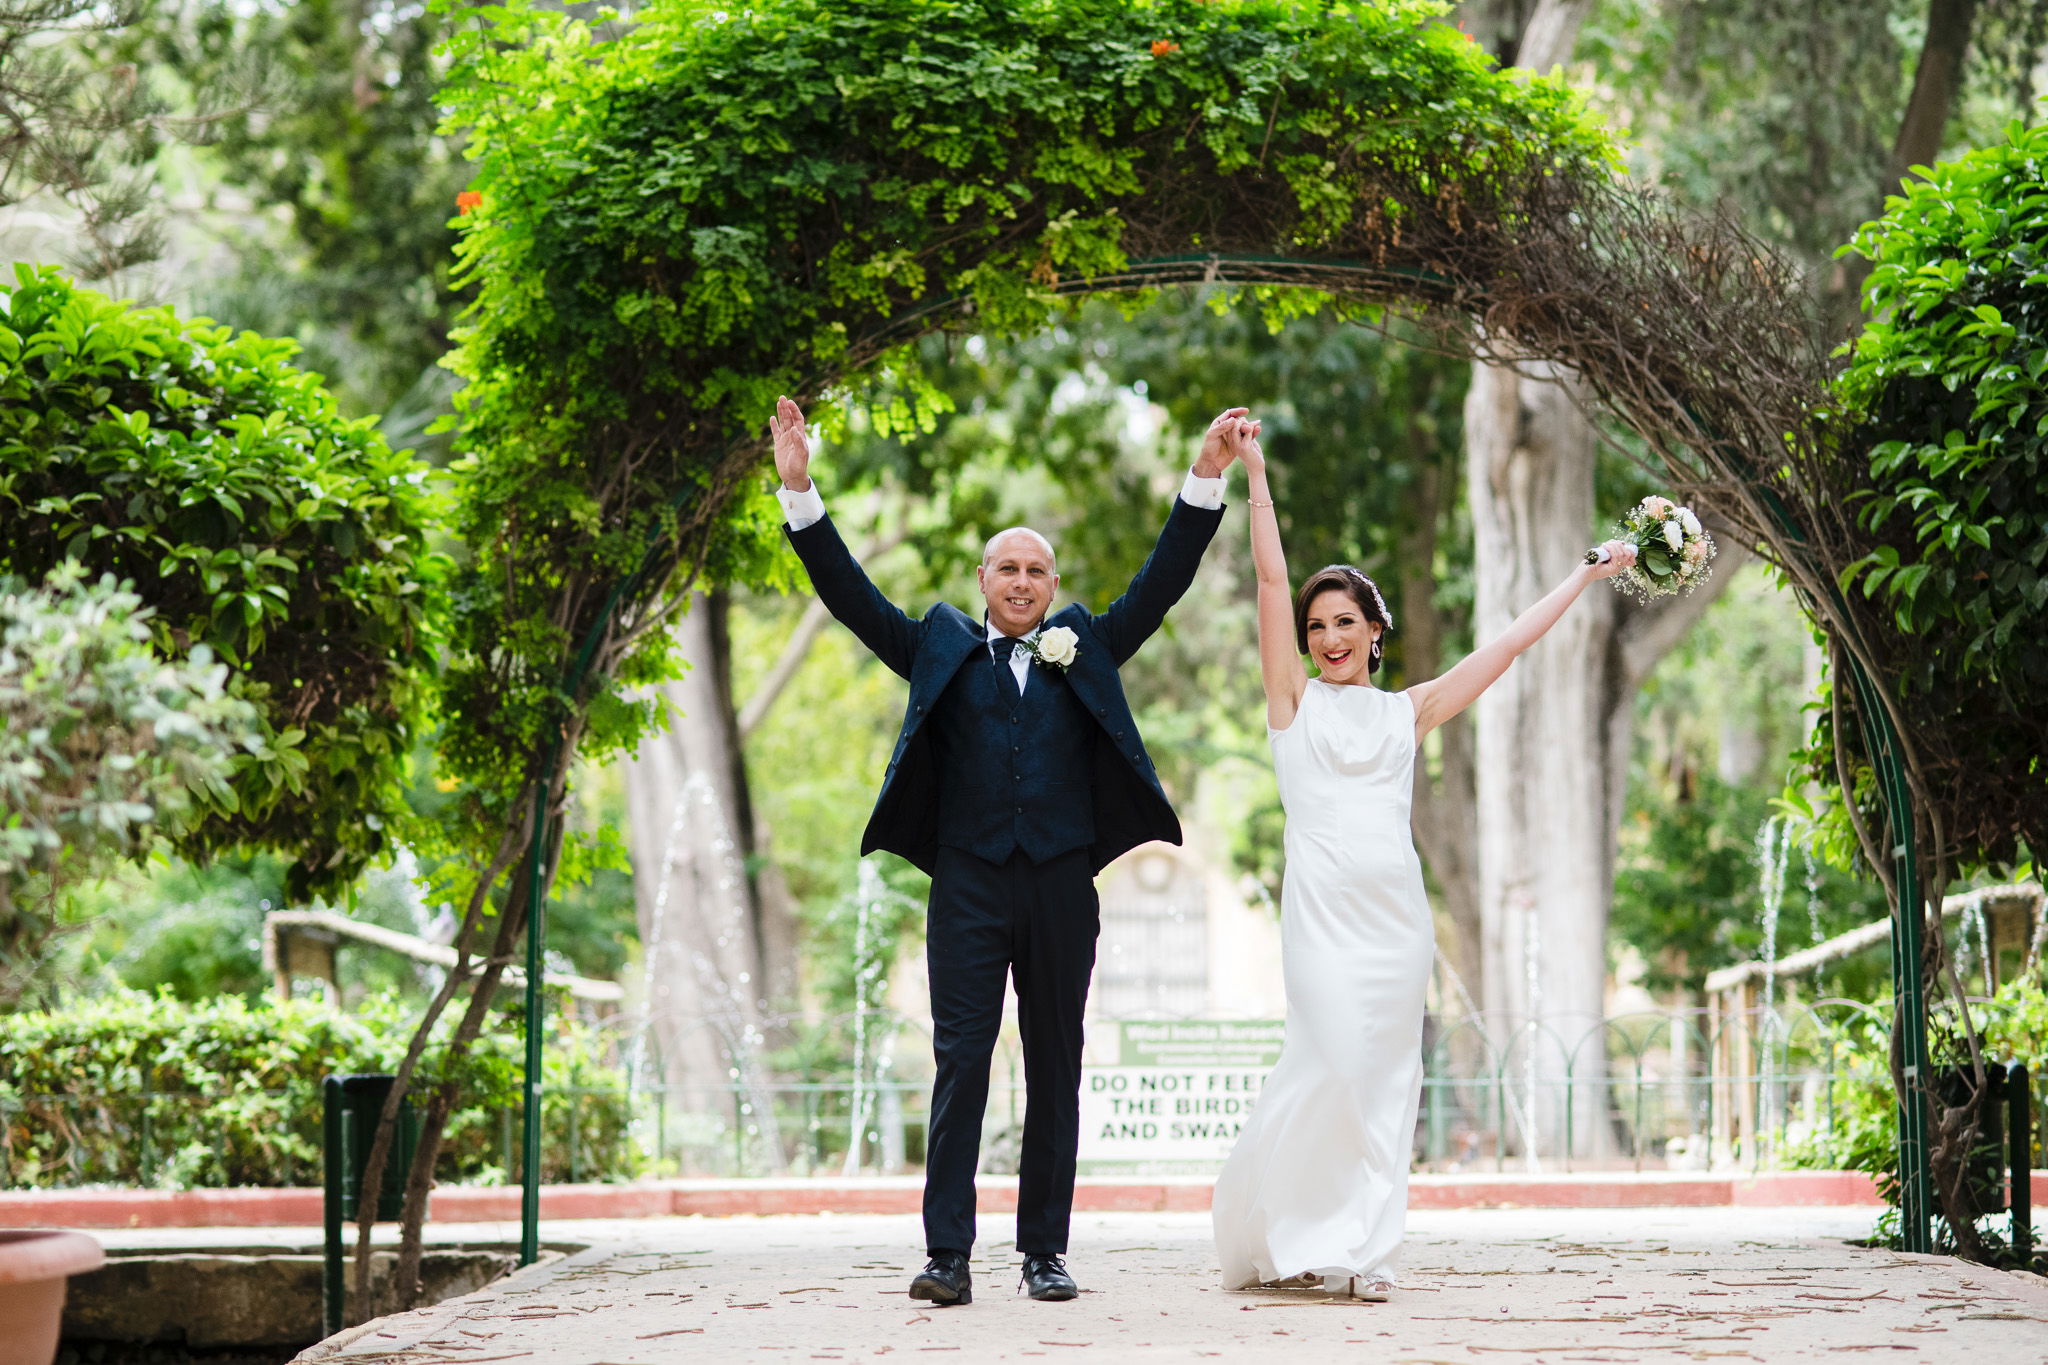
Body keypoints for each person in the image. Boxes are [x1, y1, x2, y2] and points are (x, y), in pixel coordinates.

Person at [769, 396, 1246, 1306]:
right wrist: (802, 492)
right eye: (1007, 567)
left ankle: (1044, 1253)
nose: (1022, 581)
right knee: (962, 1060)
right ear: (983, 577)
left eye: (1037, 569)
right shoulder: (936, 646)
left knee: (1056, 1061)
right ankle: (947, 1252)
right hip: (968, 886)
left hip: (1064, 882)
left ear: (1050, 581)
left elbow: (1163, 580)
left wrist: (1205, 475)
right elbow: (850, 596)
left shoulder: (1088, 646)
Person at [1209, 418, 1636, 1300]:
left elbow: (1510, 645)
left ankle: (1362, 1247)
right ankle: (1281, 1219)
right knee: (1326, 1060)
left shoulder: (1410, 711)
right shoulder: (1291, 703)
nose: (1328, 635)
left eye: (1345, 622)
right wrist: (1255, 472)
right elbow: (1269, 575)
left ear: (1374, 631)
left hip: (1395, 927)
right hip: (1321, 924)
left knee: (1385, 1080)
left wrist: (1586, 574)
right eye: (1317, 624)